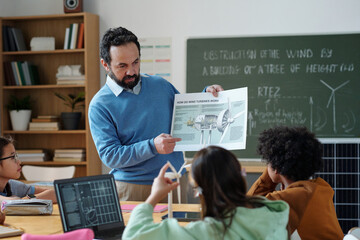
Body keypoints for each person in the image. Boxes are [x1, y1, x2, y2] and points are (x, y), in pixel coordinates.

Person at [88, 26, 223, 201]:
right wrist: (152, 146)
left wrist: (207, 96)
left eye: (135, 62)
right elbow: (111, 155)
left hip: (174, 183)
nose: (131, 71)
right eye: (122, 66)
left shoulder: (161, 85)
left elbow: (188, 116)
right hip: (131, 189)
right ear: (105, 64)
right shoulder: (99, 105)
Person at [122, 146, 289, 240]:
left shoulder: (204, 233)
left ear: (199, 191)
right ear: (239, 177)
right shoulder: (272, 214)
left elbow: (134, 236)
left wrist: (153, 197)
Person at [247, 126, 343, 240]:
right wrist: (276, 165)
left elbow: (246, 211)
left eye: (268, 161)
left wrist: (274, 166)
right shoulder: (318, 187)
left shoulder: (293, 197)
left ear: (276, 167)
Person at [0, 136, 56, 203]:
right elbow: (10, 202)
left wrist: (27, 199)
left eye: (16, 156)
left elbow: (55, 194)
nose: (19, 162)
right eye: (12, 157)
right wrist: (17, 200)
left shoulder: (12, 185)